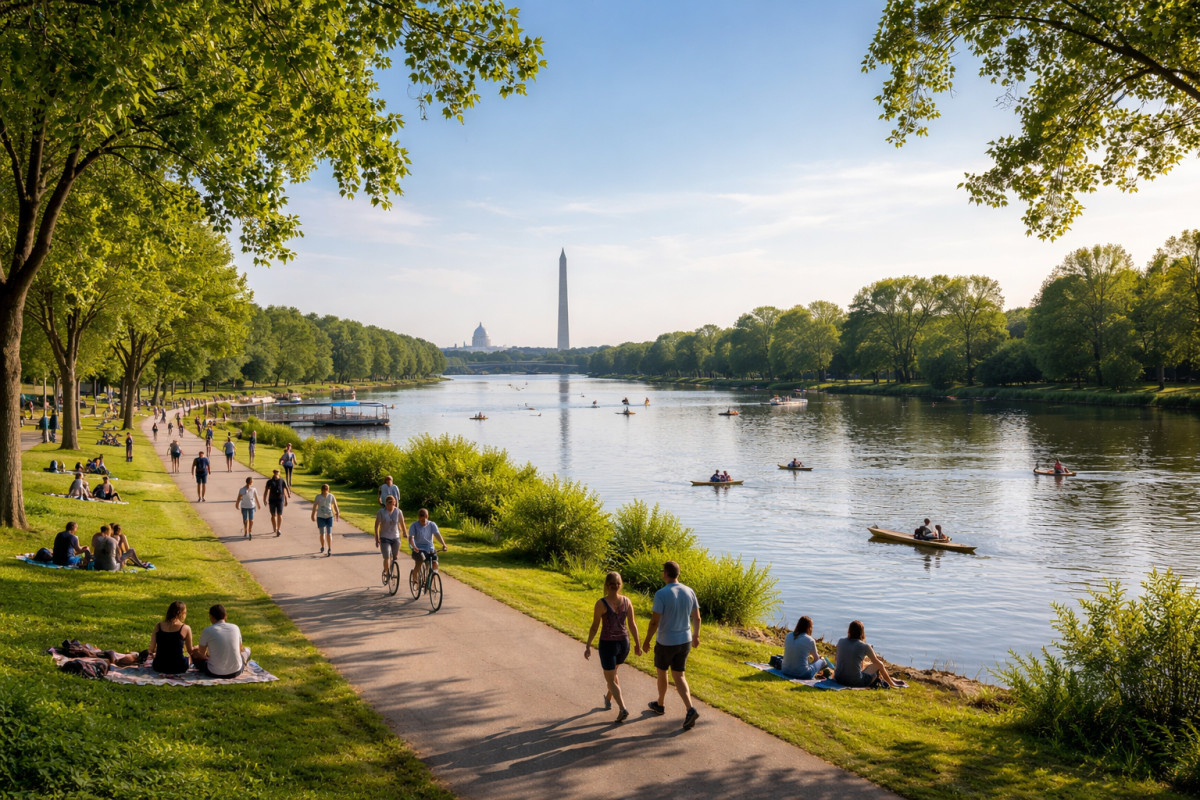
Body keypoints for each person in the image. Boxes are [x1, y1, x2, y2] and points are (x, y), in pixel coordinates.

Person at [642, 560, 701, 730]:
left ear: (665, 574)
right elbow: (697, 618)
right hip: (685, 640)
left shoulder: (662, 593)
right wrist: (696, 636)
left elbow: (654, 622)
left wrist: (647, 640)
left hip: (666, 641)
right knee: (679, 675)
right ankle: (690, 708)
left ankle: (660, 705)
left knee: (662, 672)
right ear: (678, 574)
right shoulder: (689, 591)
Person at [584, 571, 642, 723]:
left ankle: (623, 708)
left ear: (606, 585)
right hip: (624, 644)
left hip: (608, 645)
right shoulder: (627, 601)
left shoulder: (601, 604)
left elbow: (594, 627)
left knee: (610, 679)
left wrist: (588, 645)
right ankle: (608, 699)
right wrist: (637, 644)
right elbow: (632, 624)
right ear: (619, 585)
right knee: (614, 672)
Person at [190, 604, 250, 679]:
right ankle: (244, 661)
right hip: (236, 671)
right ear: (225, 616)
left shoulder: (207, 631)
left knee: (195, 654)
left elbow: (202, 654)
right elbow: (240, 649)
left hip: (214, 672)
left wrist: (196, 650)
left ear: (211, 617)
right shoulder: (235, 627)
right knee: (247, 650)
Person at [834, 620, 899, 688]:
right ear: (862, 632)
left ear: (849, 630)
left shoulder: (841, 641)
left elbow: (836, 660)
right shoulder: (865, 646)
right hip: (855, 682)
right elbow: (878, 664)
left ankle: (889, 681)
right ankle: (891, 683)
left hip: (838, 679)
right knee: (879, 664)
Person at [148, 601, 193, 675]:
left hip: (159, 666)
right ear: (181, 613)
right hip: (179, 667)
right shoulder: (185, 628)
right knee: (190, 659)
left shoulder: (158, 626)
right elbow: (190, 651)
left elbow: (151, 649)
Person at [407, 508, 447, 586]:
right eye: (421, 516)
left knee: (435, 563)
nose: (423, 519)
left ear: (427, 516)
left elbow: (437, 535)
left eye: (425, 516)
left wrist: (444, 544)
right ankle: (414, 577)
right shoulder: (414, 525)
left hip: (430, 549)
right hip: (419, 549)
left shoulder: (432, 524)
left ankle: (430, 579)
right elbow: (411, 538)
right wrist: (414, 546)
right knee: (420, 561)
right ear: (418, 517)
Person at [374, 495, 405, 585]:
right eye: (389, 503)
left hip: (396, 537)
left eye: (392, 503)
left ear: (395, 503)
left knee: (394, 557)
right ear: (386, 503)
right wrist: (377, 538)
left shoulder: (398, 512)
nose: (391, 505)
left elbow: (402, 523)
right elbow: (376, 526)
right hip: (384, 537)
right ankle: (387, 572)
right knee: (387, 556)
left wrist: (405, 533)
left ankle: (392, 568)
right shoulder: (381, 512)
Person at [311, 484, 340, 556]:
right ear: (322, 490)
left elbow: (335, 505)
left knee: (329, 533)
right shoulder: (318, 497)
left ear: (328, 490)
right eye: (324, 491)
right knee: (322, 533)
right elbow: (315, 506)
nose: (325, 492)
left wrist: (337, 513)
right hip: (320, 517)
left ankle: (329, 548)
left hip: (329, 516)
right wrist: (313, 515)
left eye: (326, 490)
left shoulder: (331, 496)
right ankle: (323, 546)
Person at [264, 469, 290, 537]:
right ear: (273, 473)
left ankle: (278, 529)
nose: (276, 473)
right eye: (275, 472)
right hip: (272, 500)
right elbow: (266, 490)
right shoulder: (269, 481)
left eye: (277, 472)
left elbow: (284, 489)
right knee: (273, 515)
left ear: (279, 473)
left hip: (280, 500)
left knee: (279, 514)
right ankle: (275, 528)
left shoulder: (282, 480)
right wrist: (264, 499)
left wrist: (286, 499)